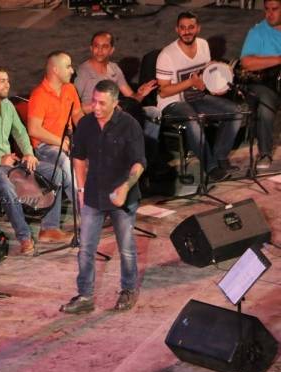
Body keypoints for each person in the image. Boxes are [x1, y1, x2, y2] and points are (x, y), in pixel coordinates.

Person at [0, 66, 73, 255]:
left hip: (10, 162)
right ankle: (24, 237)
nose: (7, 84)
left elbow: (20, 132)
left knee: (57, 173)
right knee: (6, 186)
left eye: (7, 80)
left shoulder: (7, 106)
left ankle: (49, 228)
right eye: (2, 81)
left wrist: (28, 153)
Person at [61, 80, 145, 314]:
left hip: (123, 197)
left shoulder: (129, 125)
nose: (95, 107)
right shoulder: (86, 124)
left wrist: (125, 187)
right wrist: (80, 190)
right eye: (94, 101)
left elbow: (139, 163)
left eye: (102, 103)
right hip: (94, 195)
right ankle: (85, 296)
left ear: (115, 103)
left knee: (126, 248)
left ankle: (128, 290)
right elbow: (78, 157)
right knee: (86, 249)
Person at [156, 11, 242, 182]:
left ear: (198, 28)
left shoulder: (203, 45)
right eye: (182, 28)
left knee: (236, 112)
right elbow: (163, 91)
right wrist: (190, 82)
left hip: (197, 98)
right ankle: (211, 168)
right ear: (177, 30)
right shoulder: (167, 55)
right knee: (192, 119)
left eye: (191, 27)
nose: (187, 31)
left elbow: (206, 73)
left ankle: (220, 157)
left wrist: (216, 85)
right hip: (173, 103)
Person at [27, 51, 84, 205]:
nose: (72, 70)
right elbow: (34, 129)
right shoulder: (39, 95)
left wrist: (90, 133)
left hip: (66, 142)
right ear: (55, 70)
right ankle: (83, 208)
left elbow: (77, 114)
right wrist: (59, 141)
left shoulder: (70, 89)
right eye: (68, 67)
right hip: (45, 147)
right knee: (65, 162)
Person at [240, 0, 281, 170]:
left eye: (275, 9)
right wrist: (278, 59)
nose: (269, 13)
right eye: (267, 9)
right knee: (265, 106)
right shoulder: (257, 32)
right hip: (265, 84)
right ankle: (265, 152)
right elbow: (246, 62)